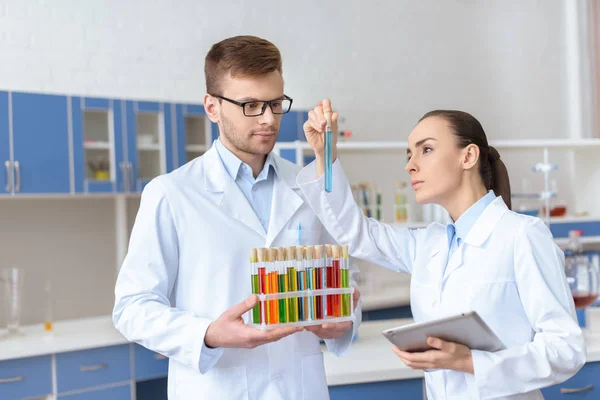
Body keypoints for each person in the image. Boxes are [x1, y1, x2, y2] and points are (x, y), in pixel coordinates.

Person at [113, 38, 361, 400]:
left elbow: (343, 283)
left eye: (276, 104)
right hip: (218, 388)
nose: (268, 119)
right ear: (212, 107)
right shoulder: (171, 193)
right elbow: (132, 307)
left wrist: (342, 321)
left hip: (299, 388)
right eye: (250, 105)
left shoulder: (310, 186)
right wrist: (209, 333)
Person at [297, 100, 586, 399]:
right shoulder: (427, 243)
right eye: (409, 154)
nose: (410, 164)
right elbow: (354, 232)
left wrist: (469, 362)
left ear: (468, 156)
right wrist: (325, 154)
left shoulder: (522, 236)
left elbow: (566, 349)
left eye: (426, 149)